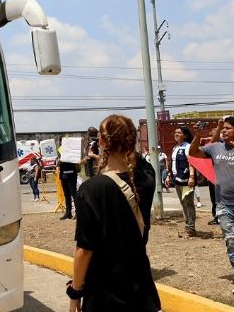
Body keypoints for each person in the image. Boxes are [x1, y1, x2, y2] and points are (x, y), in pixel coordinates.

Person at [67, 114, 161, 312]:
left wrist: (75, 293)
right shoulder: (147, 176)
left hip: (105, 294)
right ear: (131, 140)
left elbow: (84, 249)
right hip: (142, 288)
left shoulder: (91, 189)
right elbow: (138, 162)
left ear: (102, 141)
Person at [189, 116, 234, 295]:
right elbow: (194, 153)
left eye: (227, 128)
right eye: (223, 128)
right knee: (232, 241)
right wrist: (197, 136)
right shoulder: (215, 147)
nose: (223, 130)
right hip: (224, 204)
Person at [166, 126, 197, 236]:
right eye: (175, 132)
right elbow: (173, 164)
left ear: (185, 135)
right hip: (177, 180)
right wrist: (169, 175)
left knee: (189, 203)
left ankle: (191, 227)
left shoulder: (188, 147)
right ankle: (187, 224)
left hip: (186, 180)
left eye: (179, 132)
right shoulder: (175, 148)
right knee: (183, 203)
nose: (176, 134)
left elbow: (191, 162)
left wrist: (191, 177)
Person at [57, 144, 81, 220]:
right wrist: (59, 161)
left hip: (71, 176)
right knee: (66, 195)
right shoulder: (61, 152)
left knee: (74, 194)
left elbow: (76, 162)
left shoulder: (72, 153)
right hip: (64, 176)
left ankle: (78, 212)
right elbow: (58, 163)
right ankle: (68, 213)